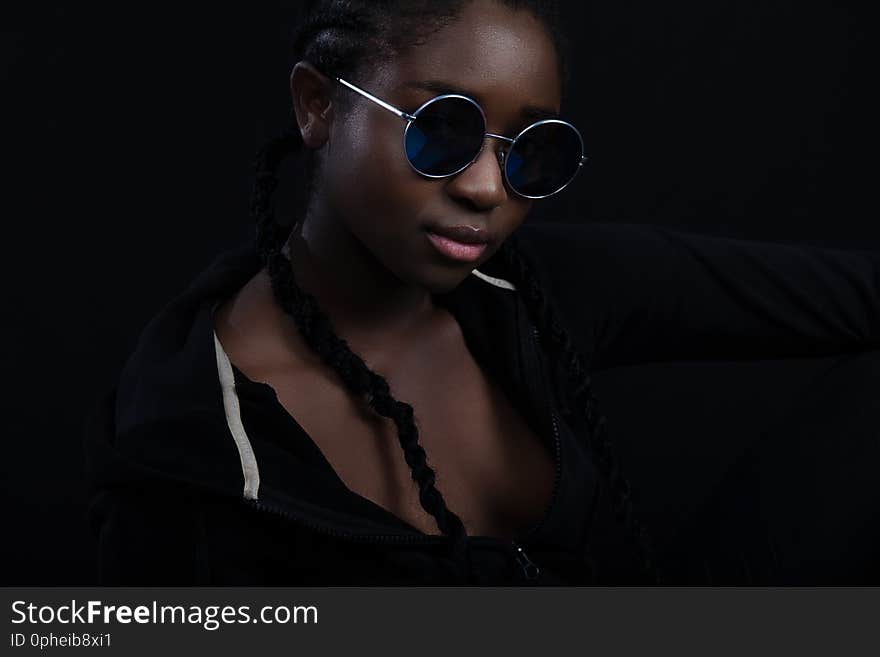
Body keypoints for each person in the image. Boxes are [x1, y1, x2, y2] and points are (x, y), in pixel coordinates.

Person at [83, 0, 880, 585]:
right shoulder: (196, 440)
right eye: (442, 129)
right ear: (318, 105)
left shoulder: (534, 286)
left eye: (534, 152)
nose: (488, 190)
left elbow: (847, 296)